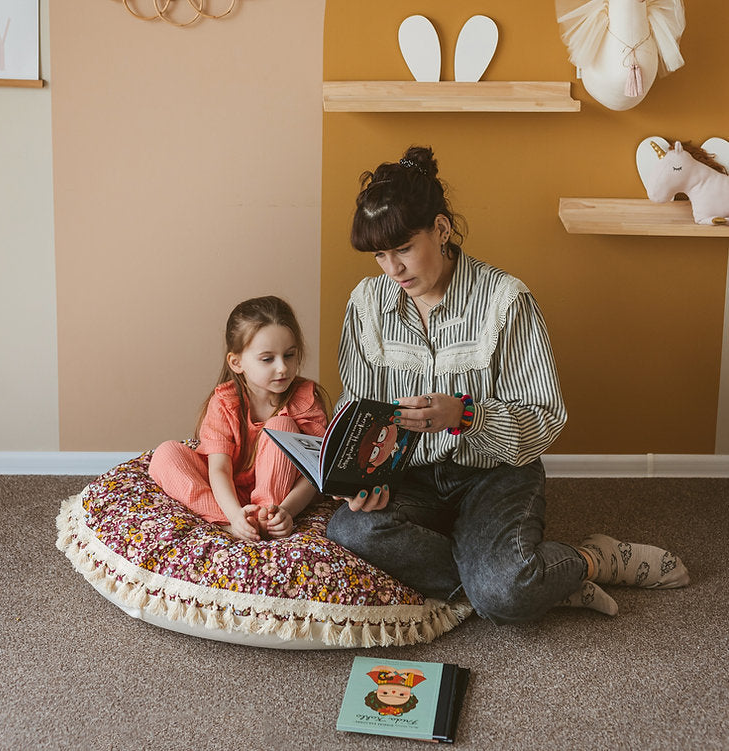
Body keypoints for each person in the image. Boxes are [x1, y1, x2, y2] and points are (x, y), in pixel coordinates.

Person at [326, 146, 689, 624]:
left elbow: (544, 418)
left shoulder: (505, 301)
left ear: (440, 228)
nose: (392, 269)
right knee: (350, 530)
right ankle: (516, 578)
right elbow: (358, 407)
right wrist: (361, 479)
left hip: (494, 475)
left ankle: (591, 559)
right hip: (410, 475)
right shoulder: (366, 304)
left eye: (404, 249)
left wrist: (464, 414)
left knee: (503, 593)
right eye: (380, 255)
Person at [149, 296, 328, 542]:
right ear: (237, 362)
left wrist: (285, 511)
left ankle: (265, 519)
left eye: (289, 355)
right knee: (165, 454)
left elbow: (315, 471)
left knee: (281, 426)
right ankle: (232, 525)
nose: (282, 368)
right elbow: (220, 470)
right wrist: (234, 516)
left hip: (280, 497)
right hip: (227, 496)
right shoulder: (225, 402)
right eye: (268, 359)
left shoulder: (305, 400)